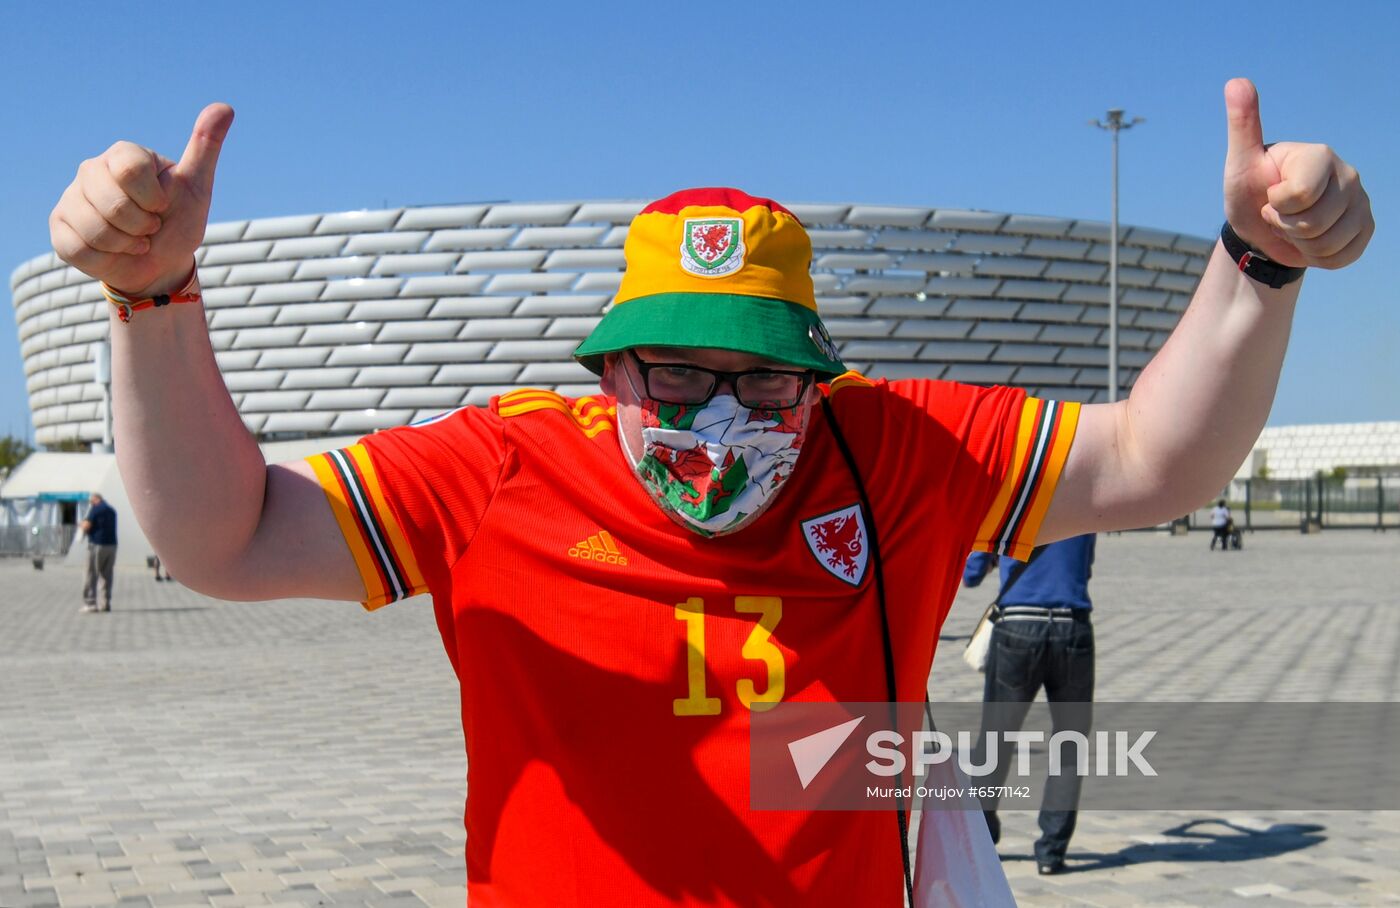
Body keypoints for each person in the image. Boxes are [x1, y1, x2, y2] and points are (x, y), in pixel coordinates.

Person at [47, 79, 1372, 905]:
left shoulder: (890, 448)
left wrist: (1256, 269)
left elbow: (1153, 460)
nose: (721, 418)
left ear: (820, 379)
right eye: (675, 377)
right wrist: (154, 304)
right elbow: (225, 538)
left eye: (764, 381)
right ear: (608, 366)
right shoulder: (504, 465)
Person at [963, 535, 1096, 875]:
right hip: (1072, 625)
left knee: (995, 741)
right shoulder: (1086, 501)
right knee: (1070, 742)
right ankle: (1051, 852)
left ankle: (983, 836)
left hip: (1018, 625)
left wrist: (996, 559)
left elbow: (971, 573)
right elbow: (1085, 567)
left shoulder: (1013, 501)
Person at [80, 492, 118, 612]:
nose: (90, 504)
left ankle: (90, 603)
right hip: (112, 545)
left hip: (97, 545)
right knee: (107, 575)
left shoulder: (95, 509)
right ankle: (105, 603)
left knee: (91, 574)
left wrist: (81, 525)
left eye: (91, 501)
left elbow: (86, 526)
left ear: (95, 499)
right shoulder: (112, 510)